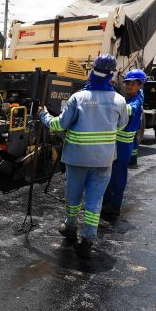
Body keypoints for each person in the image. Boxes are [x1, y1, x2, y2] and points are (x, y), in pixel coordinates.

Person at [40, 54, 128, 259]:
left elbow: (60, 125)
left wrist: (44, 116)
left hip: (77, 157)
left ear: (92, 71)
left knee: (73, 196)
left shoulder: (78, 98)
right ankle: (88, 240)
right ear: (112, 75)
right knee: (95, 200)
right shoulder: (119, 100)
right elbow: (121, 125)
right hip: (103, 159)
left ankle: (70, 228)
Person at [102, 69, 146, 219]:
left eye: (133, 84)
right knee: (109, 175)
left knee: (117, 178)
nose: (129, 86)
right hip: (118, 144)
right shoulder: (131, 96)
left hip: (122, 146)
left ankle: (114, 206)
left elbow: (128, 109)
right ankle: (106, 203)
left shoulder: (135, 101)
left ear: (139, 85)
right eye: (127, 83)